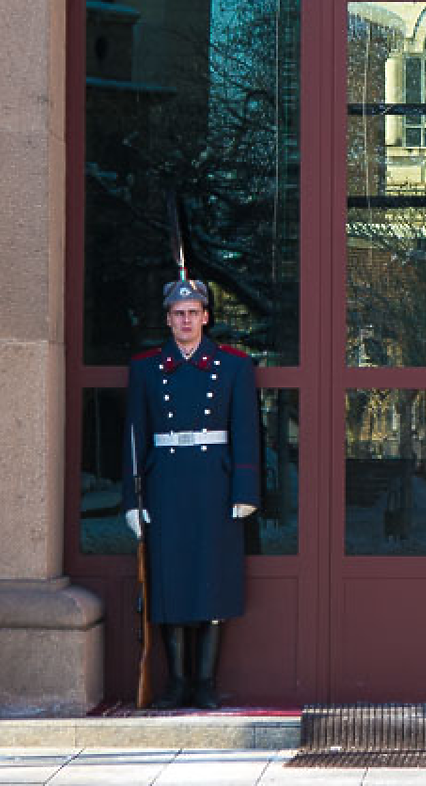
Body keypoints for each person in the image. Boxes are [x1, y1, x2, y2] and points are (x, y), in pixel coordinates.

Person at [122, 278, 262, 709]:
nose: (186, 320)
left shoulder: (233, 366)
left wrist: (245, 489)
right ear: (168, 319)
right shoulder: (146, 368)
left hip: (214, 484)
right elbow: (134, 437)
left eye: (193, 312)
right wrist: (132, 500)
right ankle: (177, 683)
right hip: (165, 483)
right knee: (171, 582)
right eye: (178, 313)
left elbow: (246, 432)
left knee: (212, 581)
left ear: (206, 317)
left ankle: (205, 683)